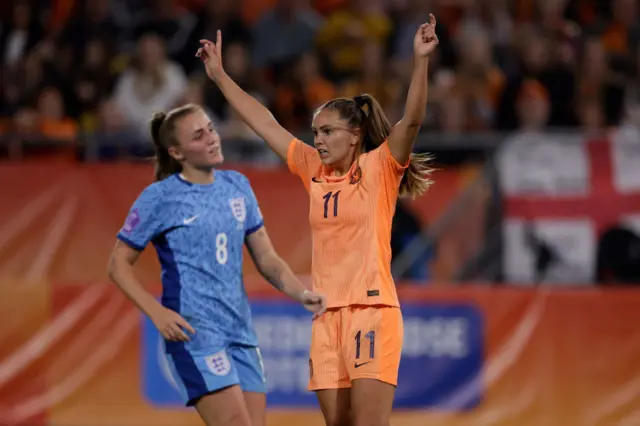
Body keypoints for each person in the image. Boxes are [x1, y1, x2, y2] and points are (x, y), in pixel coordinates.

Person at [197, 14, 438, 426]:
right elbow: (264, 122)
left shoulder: (380, 168)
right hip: (327, 318)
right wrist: (219, 77)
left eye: (327, 132)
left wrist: (420, 61)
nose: (318, 140)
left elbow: (411, 120)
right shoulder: (312, 169)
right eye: (315, 132)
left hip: (371, 309)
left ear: (355, 134)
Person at [107, 103, 326, 426]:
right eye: (199, 135)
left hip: (241, 332)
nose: (212, 138)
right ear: (177, 152)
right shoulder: (160, 197)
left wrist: (301, 293)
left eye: (210, 128)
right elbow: (117, 264)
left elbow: (267, 258)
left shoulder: (237, 186)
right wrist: (157, 312)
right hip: (195, 335)